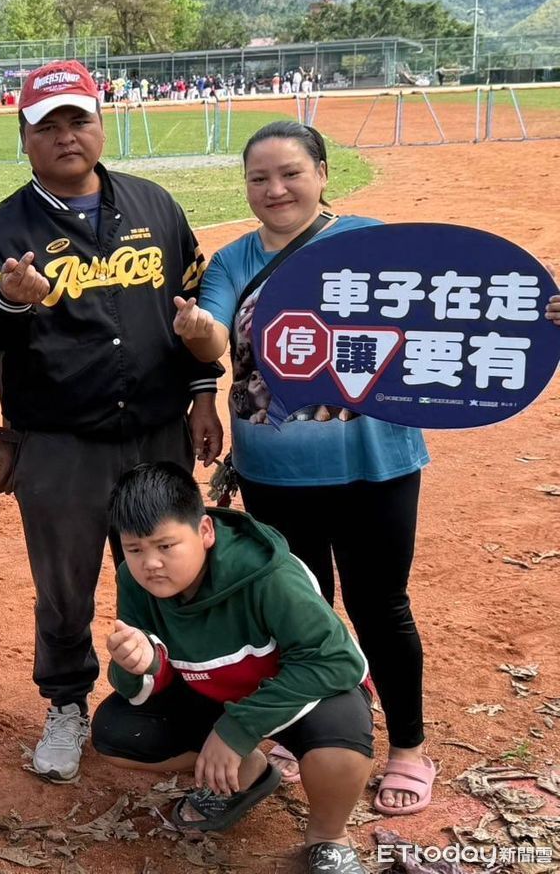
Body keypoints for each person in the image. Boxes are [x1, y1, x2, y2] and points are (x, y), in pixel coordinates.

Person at [0, 59, 223, 784]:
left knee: (172, 569)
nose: (66, 136)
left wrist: (204, 392)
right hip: (59, 443)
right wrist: (10, 300)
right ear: (24, 138)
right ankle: (67, 704)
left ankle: (186, 693)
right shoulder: (2, 230)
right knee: (65, 585)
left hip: (158, 431)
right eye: (48, 125)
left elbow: (196, 309)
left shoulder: (155, 206)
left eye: (79, 119)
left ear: (102, 125)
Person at [174, 120, 437, 814]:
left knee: (381, 606)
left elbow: (447, 314)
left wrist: (535, 316)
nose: (275, 189)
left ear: (322, 174)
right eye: (258, 178)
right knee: (301, 609)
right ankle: (314, 727)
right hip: (275, 471)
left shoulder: (371, 241)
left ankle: (408, 746)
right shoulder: (233, 261)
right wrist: (199, 331)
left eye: (290, 173)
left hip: (376, 463)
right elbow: (213, 332)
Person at [93, 462, 373, 874]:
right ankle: (248, 773)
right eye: (135, 549)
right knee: (117, 733)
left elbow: (335, 660)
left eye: (165, 545)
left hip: (295, 693)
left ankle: (328, 837)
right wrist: (141, 664)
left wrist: (237, 730)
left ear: (205, 531)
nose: (150, 563)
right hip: (216, 692)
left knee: (339, 744)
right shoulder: (134, 582)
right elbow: (144, 683)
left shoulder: (269, 576)